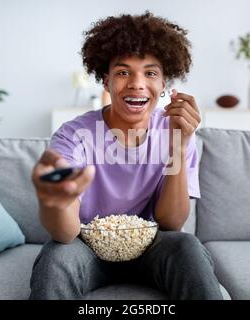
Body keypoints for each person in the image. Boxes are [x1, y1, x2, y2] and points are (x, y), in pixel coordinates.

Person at [29, 11, 223, 300]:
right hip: (86, 247)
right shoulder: (74, 136)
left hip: (152, 246)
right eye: (122, 72)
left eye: (150, 73)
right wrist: (54, 202)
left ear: (165, 84)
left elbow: (172, 223)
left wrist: (179, 148)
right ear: (105, 81)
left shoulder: (175, 131)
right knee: (57, 256)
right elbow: (66, 234)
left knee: (187, 246)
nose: (136, 83)